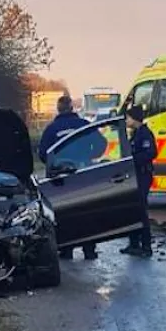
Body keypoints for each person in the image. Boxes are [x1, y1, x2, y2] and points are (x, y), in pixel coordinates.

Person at [38, 95, 101, 259]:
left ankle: (67, 249)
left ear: (58, 109)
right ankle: (89, 249)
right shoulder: (84, 125)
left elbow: (43, 153)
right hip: (84, 173)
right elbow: (101, 144)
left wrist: (54, 165)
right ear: (72, 108)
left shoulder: (51, 129)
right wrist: (90, 155)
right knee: (87, 210)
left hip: (60, 178)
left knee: (64, 211)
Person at [121, 106, 158, 258]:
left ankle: (146, 246)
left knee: (141, 211)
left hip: (143, 175)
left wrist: (133, 161)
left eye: (128, 118)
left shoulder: (145, 134)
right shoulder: (136, 134)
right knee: (133, 210)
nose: (126, 121)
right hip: (135, 176)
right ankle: (134, 244)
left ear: (135, 118)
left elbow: (151, 152)